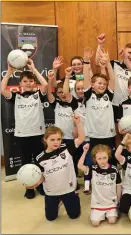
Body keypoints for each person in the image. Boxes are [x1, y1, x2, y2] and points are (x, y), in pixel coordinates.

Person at [1, 59, 48, 199]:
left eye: (31, 81)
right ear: (20, 83)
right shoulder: (16, 96)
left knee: (40, 161)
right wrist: (9, 72)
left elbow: (45, 84)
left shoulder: (38, 95)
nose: (28, 83)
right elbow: (2, 89)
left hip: (38, 133)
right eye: (25, 81)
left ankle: (40, 184)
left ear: (34, 82)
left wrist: (33, 69)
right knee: (26, 161)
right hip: (22, 135)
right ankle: (29, 187)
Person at [31, 115, 85, 221]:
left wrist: (78, 123)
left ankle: (74, 196)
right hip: (51, 192)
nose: (56, 142)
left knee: (74, 215)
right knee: (51, 218)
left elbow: (82, 138)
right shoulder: (40, 158)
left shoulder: (66, 148)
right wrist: (35, 183)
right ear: (45, 140)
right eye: (52, 139)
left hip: (68, 189)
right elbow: (42, 177)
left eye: (59, 139)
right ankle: (58, 201)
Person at [82, 49, 117, 166]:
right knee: (95, 161)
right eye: (99, 83)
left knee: (109, 160)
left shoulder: (108, 95)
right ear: (92, 85)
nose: (102, 85)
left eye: (104, 84)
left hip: (108, 134)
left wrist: (107, 64)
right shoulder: (88, 95)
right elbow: (86, 77)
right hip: (94, 134)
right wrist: (86, 62)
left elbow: (112, 79)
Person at [78, 143, 122, 226]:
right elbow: (80, 165)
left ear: (108, 156)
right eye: (99, 158)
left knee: (112, 221)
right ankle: (99, 213)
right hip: (98, 203)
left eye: (105, 158)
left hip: (111, 202)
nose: (103, 161)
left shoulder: (114, 169)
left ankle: (111, 213)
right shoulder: (93, 168)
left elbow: (118, 185)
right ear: (95, 159)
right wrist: (84, 152)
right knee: (95, 223)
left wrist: (118, 200)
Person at [95, 33, 131, 107]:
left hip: (130, 105)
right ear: (124, 52)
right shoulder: (115, 63)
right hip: (114, 104)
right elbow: (97, 62)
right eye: (129, 53)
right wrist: (100, 44)